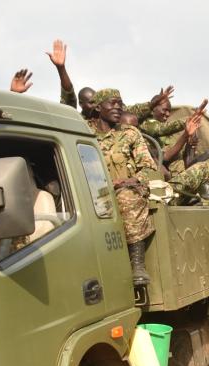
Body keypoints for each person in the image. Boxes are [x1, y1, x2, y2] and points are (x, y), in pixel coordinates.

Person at [86, 88, 160, 285]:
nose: (117, 107)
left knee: (126, 197)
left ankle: (137, 265)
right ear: (98, 107)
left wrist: (133, 180)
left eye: (120, 103)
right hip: (92, 191)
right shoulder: (84, 132)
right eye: (112, 103)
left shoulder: (129, 133)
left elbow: (147, 166)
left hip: (127, 189)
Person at [44, 39, 172, 125]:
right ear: (82, 105)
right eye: (90, 103)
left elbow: (133, 110)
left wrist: (153, 103)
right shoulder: (78, 122)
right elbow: (68, 96)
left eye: (96, 101)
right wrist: (61, 68)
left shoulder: (108, 118)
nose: (94, 104)